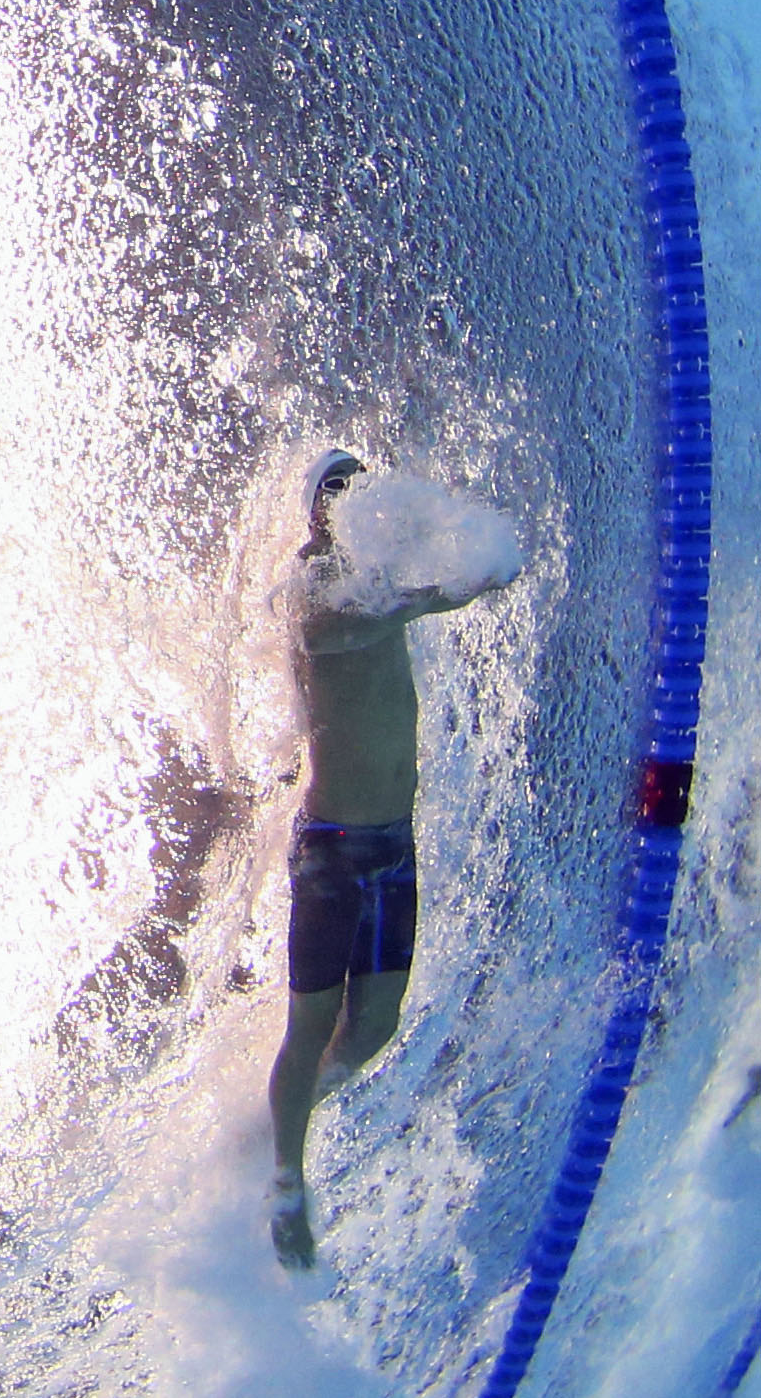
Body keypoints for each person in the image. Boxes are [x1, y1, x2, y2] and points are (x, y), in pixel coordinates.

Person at [267, 449, 515, 1268]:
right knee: (309, 1026)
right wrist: (442, 593)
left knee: (370, 1028)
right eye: (335, 494)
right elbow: (345, 629)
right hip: (332, 850)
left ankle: (279, 1120)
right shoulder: (311, 587)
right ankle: (284, 1184)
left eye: (357, 491)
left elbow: (395, 597)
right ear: (315, 512)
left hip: (391, 847)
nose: (348, 505)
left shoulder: (373, 573)